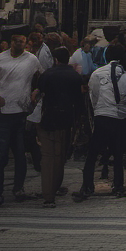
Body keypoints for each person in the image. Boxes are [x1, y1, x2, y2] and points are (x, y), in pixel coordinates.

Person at [0, 32, 40, 208]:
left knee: (20, 153)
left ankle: (18, 188)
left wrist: (36, 92)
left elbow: (41, 77)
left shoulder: (31, 60)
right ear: (10, 42)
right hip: (2, 114)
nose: (19, 44)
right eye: (16, 40)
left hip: (21, 112)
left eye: (22, 41)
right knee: (1, 155)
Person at [75, 44, 126, 200]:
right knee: (118, 153)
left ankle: (87, 186)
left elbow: (93, 95)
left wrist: (97, 112)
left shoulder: (97, 73)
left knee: (92, 153)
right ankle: (118, 185)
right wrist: (121, 117)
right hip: (117, 119)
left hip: (101, 117)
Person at [33, 47, 82, 207]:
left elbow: (40, 93)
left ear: (55, 59)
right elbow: (78, 100)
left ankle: (48, 196)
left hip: (47, 118)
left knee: (47, 157)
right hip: (66, 120)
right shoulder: (74, 76)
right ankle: (55, 187)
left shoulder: (47, 74)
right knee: (60, 156)